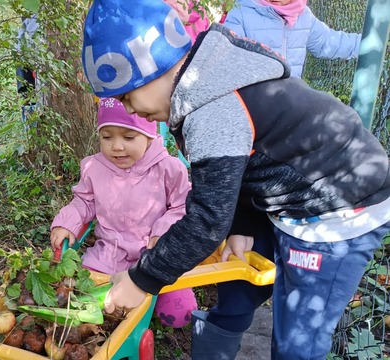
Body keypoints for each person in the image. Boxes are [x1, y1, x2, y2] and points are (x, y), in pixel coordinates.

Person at [81, 1, 390, 359]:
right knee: (237, 289)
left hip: (337, 208)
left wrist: (142, 279)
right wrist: (242, 222)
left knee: (298, 339)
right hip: (287, 193)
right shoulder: (203, 83)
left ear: (153, 66)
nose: (130, 110)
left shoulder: (212, 108)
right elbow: (244, 162)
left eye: (126, 96)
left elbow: (207, 221)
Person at [49, 97, 197, 328]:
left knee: (180, 314)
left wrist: (162, 232)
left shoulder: (169, 168)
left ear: (148, 136)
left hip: (156, 256)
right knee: (78, 300)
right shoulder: (94, 167)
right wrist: (66, 223)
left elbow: (182, 207)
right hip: (109, 255)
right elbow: (84, 202)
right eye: (107, 137)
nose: (117, 146)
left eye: (129, 137)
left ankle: (147, 306)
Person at [223, 0, 361, 77]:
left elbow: (328, 42)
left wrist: (370, 44)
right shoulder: (241, 13)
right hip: (253, 102)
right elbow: (229, 58)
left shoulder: (303, 16)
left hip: (290, 102)